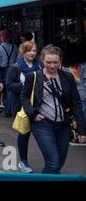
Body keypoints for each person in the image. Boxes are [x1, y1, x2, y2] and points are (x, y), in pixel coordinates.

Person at [21, 45, 86, 174]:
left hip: (64, 125)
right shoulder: (33, 77)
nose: (52, 66)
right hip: (42, 124)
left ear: (60, 60)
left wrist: (82, 130)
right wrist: (33, 114)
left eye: (55, 62)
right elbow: (24, 96)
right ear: (42, 60)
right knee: (53, 162)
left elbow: (76, 103)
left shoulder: (68, 77)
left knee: (58, 163)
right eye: (48, 62)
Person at [6, 41, 42, 173]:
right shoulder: (16, 67)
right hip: (22, 105)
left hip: (39, 105)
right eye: (29, 50)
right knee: (24, 133)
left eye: (34, 50)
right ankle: (23, 161)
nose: (32, 53)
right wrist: (26, 87)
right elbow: (9, 85)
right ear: (23, 51)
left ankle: (51, 163)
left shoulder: (40, 66)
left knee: (43, 133)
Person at [0, 30, 19, 116]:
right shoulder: (15, 47)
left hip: (2, 70)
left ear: (2, 37)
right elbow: (16, 59)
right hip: (12, 69)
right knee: (10, 91)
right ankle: (8, 111)